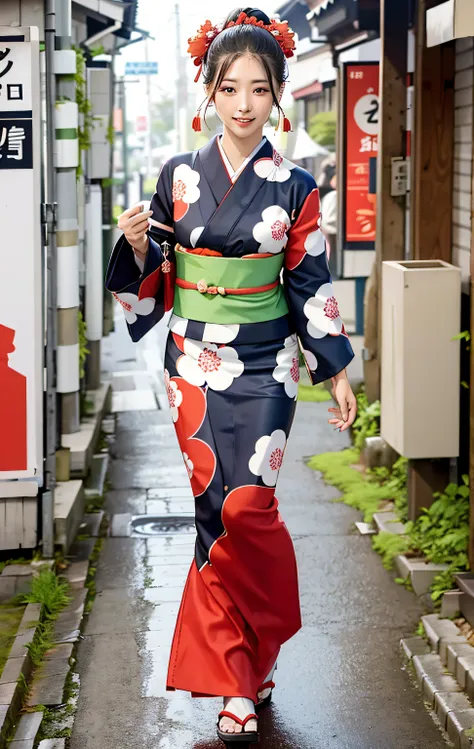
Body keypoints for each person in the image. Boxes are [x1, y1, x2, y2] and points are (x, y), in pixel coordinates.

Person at [107, 7, 357, 744]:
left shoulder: (296, 184)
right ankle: (239, 679)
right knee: (214, 513)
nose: (243, 103)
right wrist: (135, 245)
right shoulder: (177, 177)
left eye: (258, 88)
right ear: (208, 94)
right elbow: (148, 275)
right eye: (229, 88)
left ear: (278, 93)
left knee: (248, 507)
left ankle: (260, 639)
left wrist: (335, 367)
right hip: (192, 362)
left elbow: (309, 278)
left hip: (268, 365)